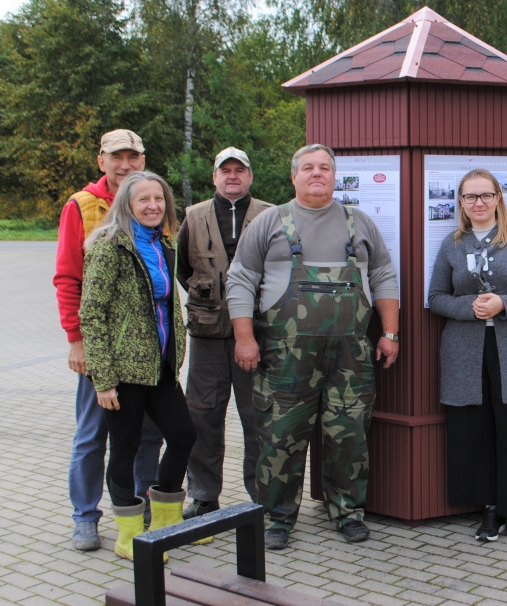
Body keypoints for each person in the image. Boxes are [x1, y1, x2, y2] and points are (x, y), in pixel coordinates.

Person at [226, 144, 400, 549]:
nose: (316, 173)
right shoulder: (269, 223)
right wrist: (245, 337)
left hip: (350, 357)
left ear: (335, 176)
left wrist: (390, 334)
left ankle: (348, 512)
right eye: (308, 167)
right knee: (280, 437)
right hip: (284, 357)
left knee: (349, 436)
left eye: (324, 167)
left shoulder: (360, 224)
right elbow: (239, 282)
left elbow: (385, 277)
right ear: (294, 176)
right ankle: (276, 518)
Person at [53, 129, 163, 552]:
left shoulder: (152, 204)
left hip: (150, 350)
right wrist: (76, 341)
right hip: (102, 348)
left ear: (142, 159)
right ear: (101, 161)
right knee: (93, 434)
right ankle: (85, 516)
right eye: (116, 157)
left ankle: (139, 507)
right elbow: (67, 278)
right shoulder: (82, 206)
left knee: (148, 433)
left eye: (133, 157)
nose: (125, 165)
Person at [80, 171, 198, 560]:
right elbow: (92, 314)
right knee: (125, 450)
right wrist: (103, 380)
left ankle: (164, 525)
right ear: (127, 205)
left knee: (182, 436)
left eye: (159, 199)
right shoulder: (109, 247)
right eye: (143, 199)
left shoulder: (165, 243)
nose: (153, 206)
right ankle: (128, 536)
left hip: (160, 368)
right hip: (122, 373)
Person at [428, 169, 507, 542]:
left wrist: (503, 303)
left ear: (498, 197)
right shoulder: (452, 243)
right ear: (461, 203)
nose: (478, 203)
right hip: (466, 351)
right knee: (476, 430)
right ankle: (489, 510)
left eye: (485, 195)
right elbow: (436, 299)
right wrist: (472, 308)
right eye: (470, 197)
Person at [177, 148, 272, 519]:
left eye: (240, 170)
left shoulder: (271, 216)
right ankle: (203, 494)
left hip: (260, 335)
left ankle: (262, 494)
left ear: (250, 176)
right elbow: (184, 268)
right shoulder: (193, 216)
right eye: (225, 171)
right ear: (214, 177)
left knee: (259, 418)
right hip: (207, 337)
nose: (233, 176)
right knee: (202, 416)